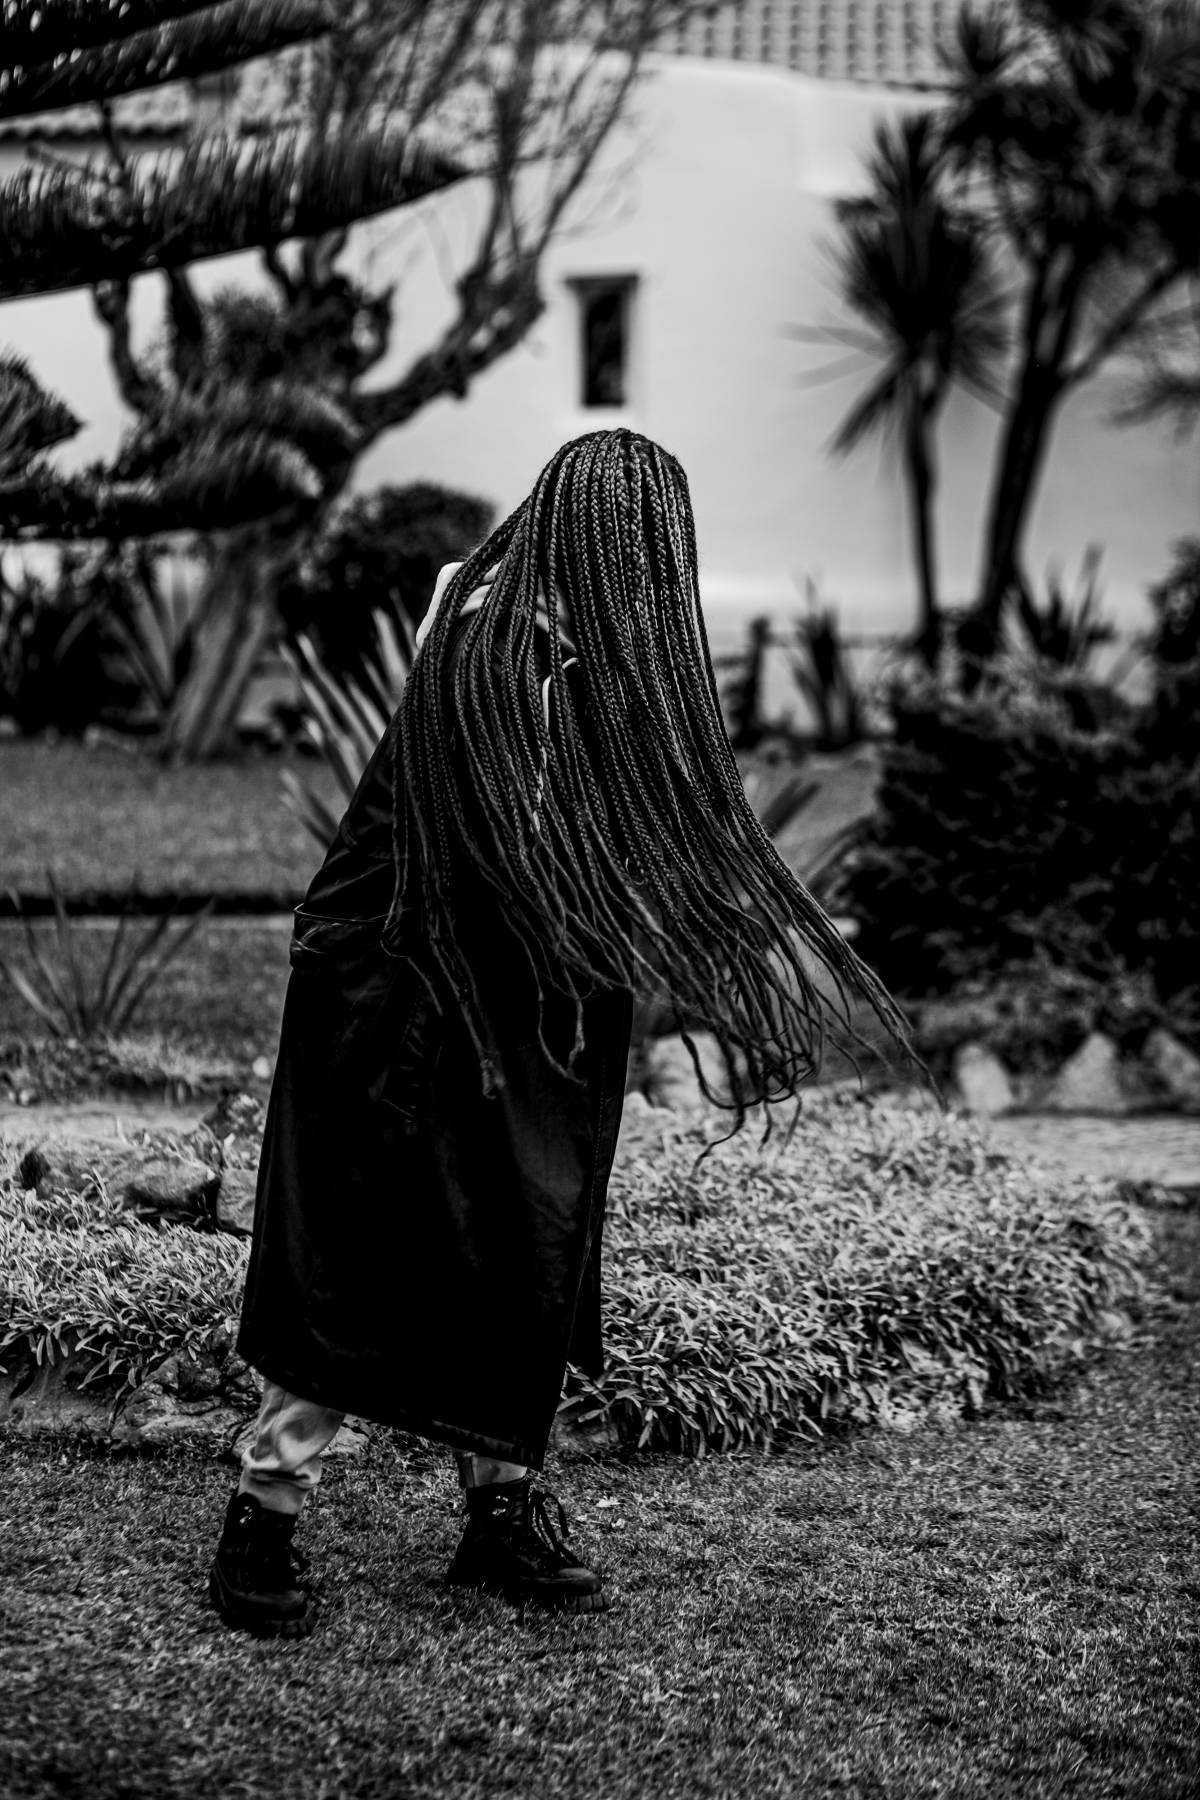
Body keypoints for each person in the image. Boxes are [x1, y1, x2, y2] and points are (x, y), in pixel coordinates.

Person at [208, 428, 910, 1638]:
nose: (652, 575)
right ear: (597, 539)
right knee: (366, 1250)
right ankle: (262, 1514)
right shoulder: (497, 651)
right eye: (639, 546)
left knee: (523, 1249)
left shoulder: (573, 648)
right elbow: (490, 856)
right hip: (402, 992)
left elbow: (602, 851)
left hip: (525, 1003)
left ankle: (501, 1515)